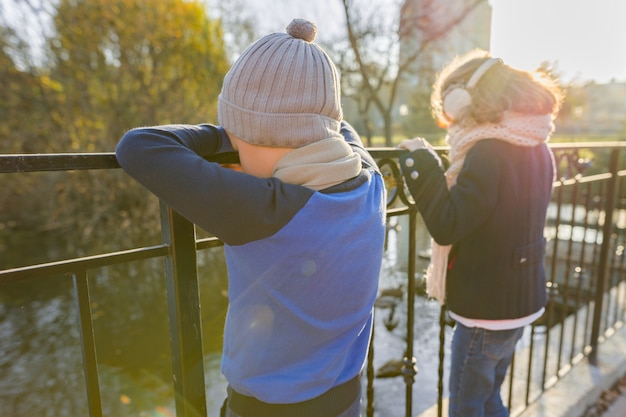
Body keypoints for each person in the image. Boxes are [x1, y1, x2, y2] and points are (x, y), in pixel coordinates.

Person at [115, 19, 386, 417]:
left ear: (255, 133)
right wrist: (257, 129)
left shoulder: (265, 209)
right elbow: (342, 130)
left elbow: (138, 146)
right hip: (347, 397)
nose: (235, 154)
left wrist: (225, 133)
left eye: (238, 141)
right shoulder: (369, 179)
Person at [397, 49, 563, 417]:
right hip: (521, 300)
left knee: (466, 406)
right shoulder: (536, 144)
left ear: (465, 101)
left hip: (486, 309)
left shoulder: (489, 151)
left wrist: (419, 162)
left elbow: (447, 224)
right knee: (490, 399)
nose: (450, 122)